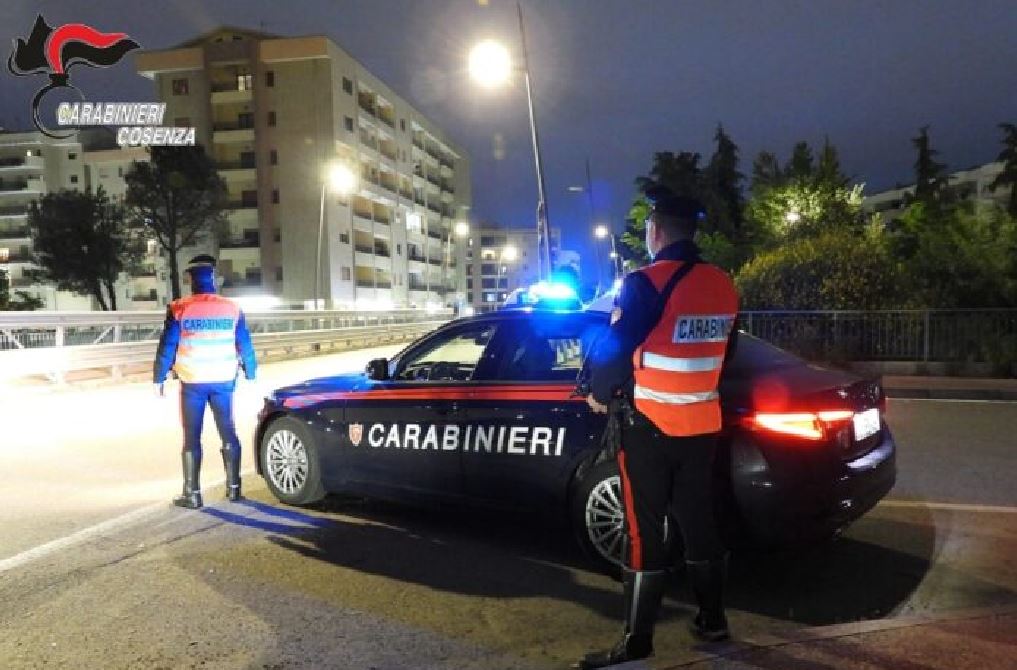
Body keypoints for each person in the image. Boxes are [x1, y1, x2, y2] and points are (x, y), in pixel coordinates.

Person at [576, 186, 739, 668]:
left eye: (649, 227)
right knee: (698, 520)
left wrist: (598, 393)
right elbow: (726, 352)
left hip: (650, 425)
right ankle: (713, 620)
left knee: (643, 530)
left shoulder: (644, 283)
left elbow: (615, 347)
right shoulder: (723, 283)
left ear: (657, 231)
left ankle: (636, 644)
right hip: (702, 424)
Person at [154, 254, 257, 509]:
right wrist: (251, 371)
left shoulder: (179, 308)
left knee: (192, 437)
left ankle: (192, 494)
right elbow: (244, 342)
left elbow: (167, 345)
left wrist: (159, 377)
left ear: (191, 280)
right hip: (224, 380)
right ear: (213, 280)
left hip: (193, 382)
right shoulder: (232, 308)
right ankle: (234, 489)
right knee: (228, 431)